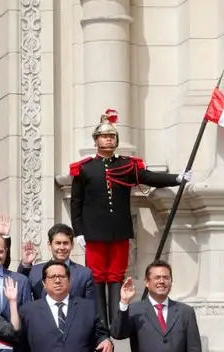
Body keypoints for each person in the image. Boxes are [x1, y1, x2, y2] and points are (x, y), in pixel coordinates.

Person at [69, 109, 191, 327]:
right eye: (104, 136)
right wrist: (78, 231)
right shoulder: (85, 168)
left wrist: (176, 178)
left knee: (116, 275)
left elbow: (148, 177)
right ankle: (101, 322)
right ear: (96, 140)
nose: (108, 139)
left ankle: (117, 321)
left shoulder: (126, 165)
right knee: (97, 276)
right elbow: (76, 202)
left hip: (120, 230)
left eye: (112, 136)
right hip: (93, 231)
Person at [17, 223, 95, 302]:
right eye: (58, 243)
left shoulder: (84, 274)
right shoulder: (35, 272)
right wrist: (25, 264)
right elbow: (19, 289)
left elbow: (90, 306)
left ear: (72, 245)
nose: (62, 247)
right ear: (49, 245)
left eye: (66, 243)